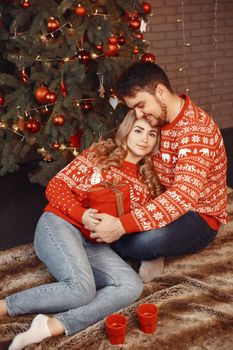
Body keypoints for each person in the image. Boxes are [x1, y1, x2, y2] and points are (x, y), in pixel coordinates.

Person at [0, 111, 162, 350]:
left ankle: (51, 326)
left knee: (131, 286)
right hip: (59, 224)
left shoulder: (146, 183)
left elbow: (139, 224)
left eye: (152, 134)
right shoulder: (100, 153)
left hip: (95, 244)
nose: (144, 139)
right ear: (127, 131)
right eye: (138, 130)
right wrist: (82, 215)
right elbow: (55, 188)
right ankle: (5, 306)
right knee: (80, 291)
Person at [89, 61, 229, 280]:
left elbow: (183, 196)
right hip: (161, 198)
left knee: (135, 243)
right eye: (133, 108)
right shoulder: (159, 118)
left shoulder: (197, 131)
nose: (139, 114)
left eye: (141, 105)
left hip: (198, 214)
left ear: (161, 92)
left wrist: (121, 225)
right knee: (106, 220)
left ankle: (151, 250)